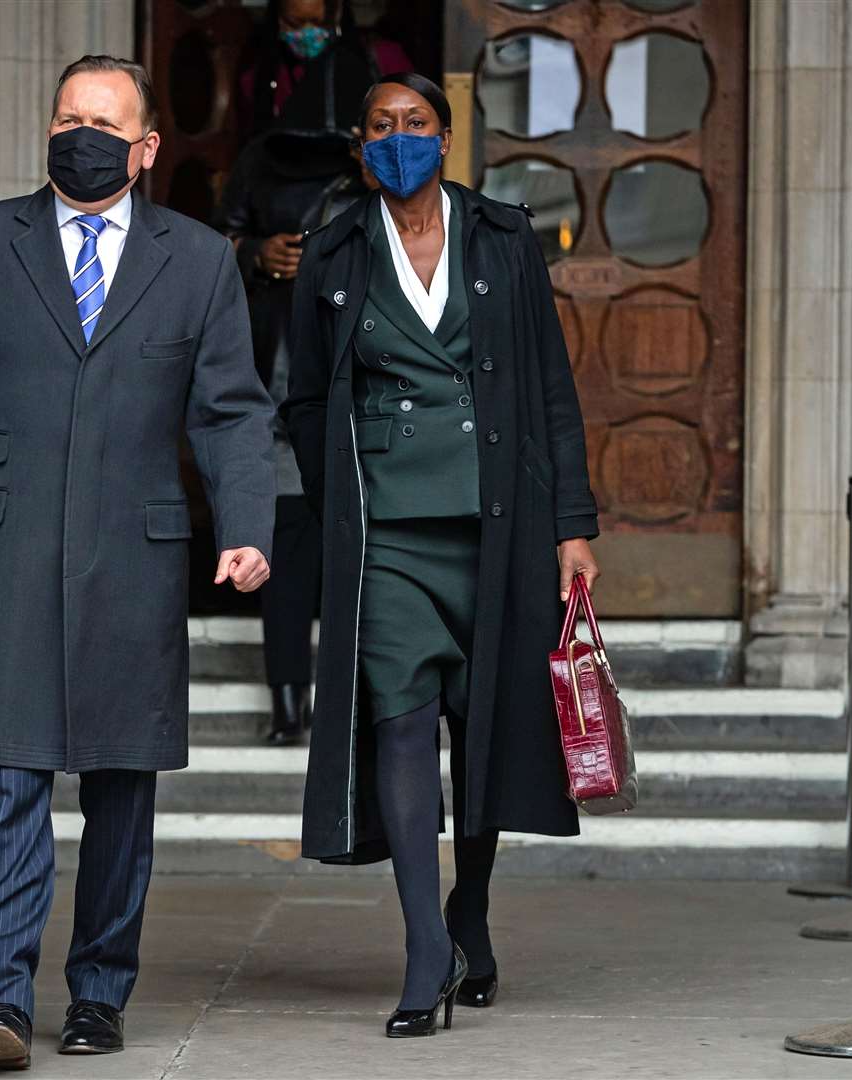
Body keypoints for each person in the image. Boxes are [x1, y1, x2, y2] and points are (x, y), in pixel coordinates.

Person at [0, 56, 275, 1071]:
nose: (79, 135)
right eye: (66, 116)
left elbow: (231, 410)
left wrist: (248, 525)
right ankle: (1, 999)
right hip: (0, 549)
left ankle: (98, 994)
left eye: (103, 122)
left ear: (144, 149)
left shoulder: (196, 259)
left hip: (133, 556)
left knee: (120, 790)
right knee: (7, 776)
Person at [282, 73, 601, 1038]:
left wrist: (572, 524)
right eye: (380, 127)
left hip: (499, 520)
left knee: (487, 724)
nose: (398, 139)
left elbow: (551, 385)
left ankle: (471, 907)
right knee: (405, 720)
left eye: (415, 124)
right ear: (359, 144)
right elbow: (304, 398)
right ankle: (425, 946)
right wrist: (339, 499)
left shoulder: (502, 239)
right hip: (386, 532)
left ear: (447, 137)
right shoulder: (334, 247)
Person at [215, 129, 369, 743]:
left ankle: (347, 709)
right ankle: (288, 707)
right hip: (281, 403)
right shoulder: (264, 163)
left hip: (358, 412)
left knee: (357, 573)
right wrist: (256, 254)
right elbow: (218, 238)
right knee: (282, 566)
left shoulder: (386, 196)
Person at [238, 0, 412, 142]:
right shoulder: (259, 80)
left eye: (319, 23)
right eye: (295, 23)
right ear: (279, 20)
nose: (307, 32)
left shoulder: (386, 60)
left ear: (337, 13)